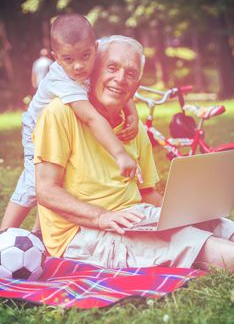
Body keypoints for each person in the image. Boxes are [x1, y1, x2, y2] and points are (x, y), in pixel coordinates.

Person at [33, 35, 234, 271]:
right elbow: (46, 191)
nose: (120, 79)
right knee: (195, 244)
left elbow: (146, 192)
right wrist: (101, 217)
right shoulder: (60, 114)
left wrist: (181, 213)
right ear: (93, 71)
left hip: (135, 217)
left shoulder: (133, 127)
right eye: (112, 67)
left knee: (218, 225)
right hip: (82, 234)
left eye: (130, 73)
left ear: (137, 86)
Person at [1, 14, 141, 233]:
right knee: (34, 182)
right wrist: (120, 153)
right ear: (57, 58)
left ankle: (40, 231)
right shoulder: (62, 80)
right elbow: (91, 117)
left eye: (85, 55)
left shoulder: (95, 57)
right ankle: (4, 235)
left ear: (95, 47)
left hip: (64, 129)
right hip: (36, 130)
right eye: (68, 59)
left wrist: (132, 113)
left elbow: (121, 89)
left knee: (62, 176)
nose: (78, 66)